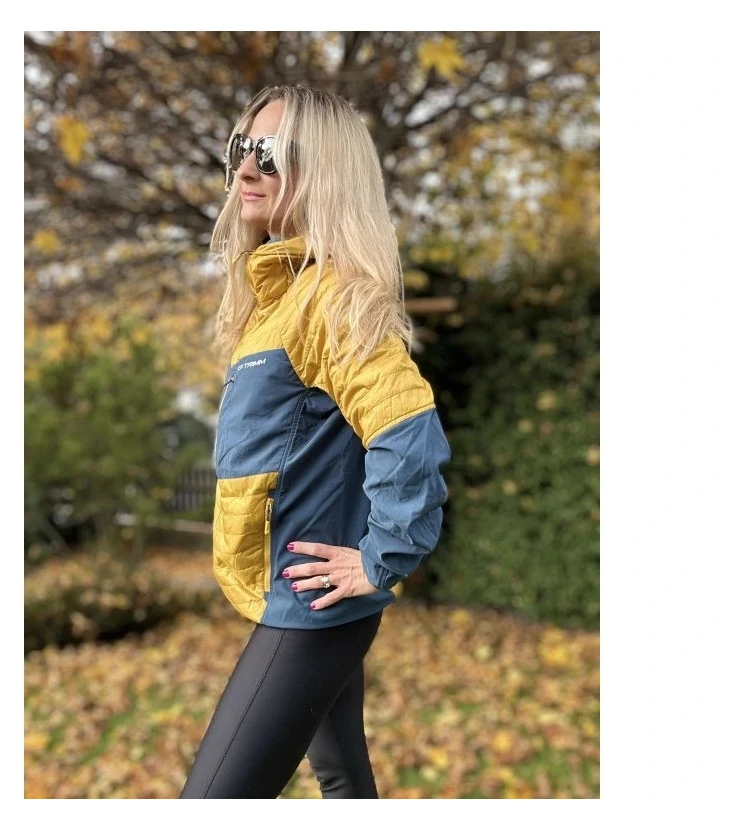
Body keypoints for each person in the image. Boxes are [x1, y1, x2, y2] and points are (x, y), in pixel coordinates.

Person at [179, 84, 451, 799]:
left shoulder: (332, 297)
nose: (246, 168)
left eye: (270, 153)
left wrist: (382, 558)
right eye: (242, 148)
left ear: (324, 171)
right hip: (305, 596)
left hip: (312, 606)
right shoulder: (278, 303)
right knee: (341, 777)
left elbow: (406, 430)